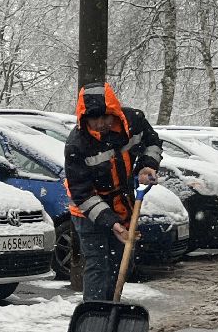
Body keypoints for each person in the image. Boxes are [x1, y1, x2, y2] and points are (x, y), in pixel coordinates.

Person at [63, 82, 162, 301]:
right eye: (93, 119)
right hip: (88, 209)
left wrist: (146, 166)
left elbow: (152, 143)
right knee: (98, 266)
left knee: (121, 262)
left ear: (114, 112)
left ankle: (111, 310)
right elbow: (82, 193)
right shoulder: (77, 145)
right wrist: (111, 222)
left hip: (121, 203)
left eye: (105, 117)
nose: (100, 124)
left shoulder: (133, 122)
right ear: (84, 118)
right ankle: (95, 317)